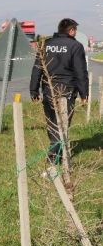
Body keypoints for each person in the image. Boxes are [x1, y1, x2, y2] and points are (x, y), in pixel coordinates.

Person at [29, 18, 89, 164]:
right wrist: (84, 93)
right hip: (67, 90)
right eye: (75, 30)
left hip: (48, 89)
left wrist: (34, 90)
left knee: (52, 123)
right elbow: (80, 72)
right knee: (63, 123)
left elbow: (38, 68)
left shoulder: (46, 44)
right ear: (71, 30)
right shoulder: (75, 46)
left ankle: (57, 154)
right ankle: (55, 157)